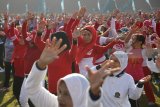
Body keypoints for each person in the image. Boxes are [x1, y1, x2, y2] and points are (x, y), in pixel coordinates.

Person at [25, 36, 116, 107]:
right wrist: (40, 64)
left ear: (80, 94)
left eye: (67, 94)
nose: (60, 98)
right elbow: (32, 90)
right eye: (60, 92)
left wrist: (94, 95)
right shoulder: (54, 104)